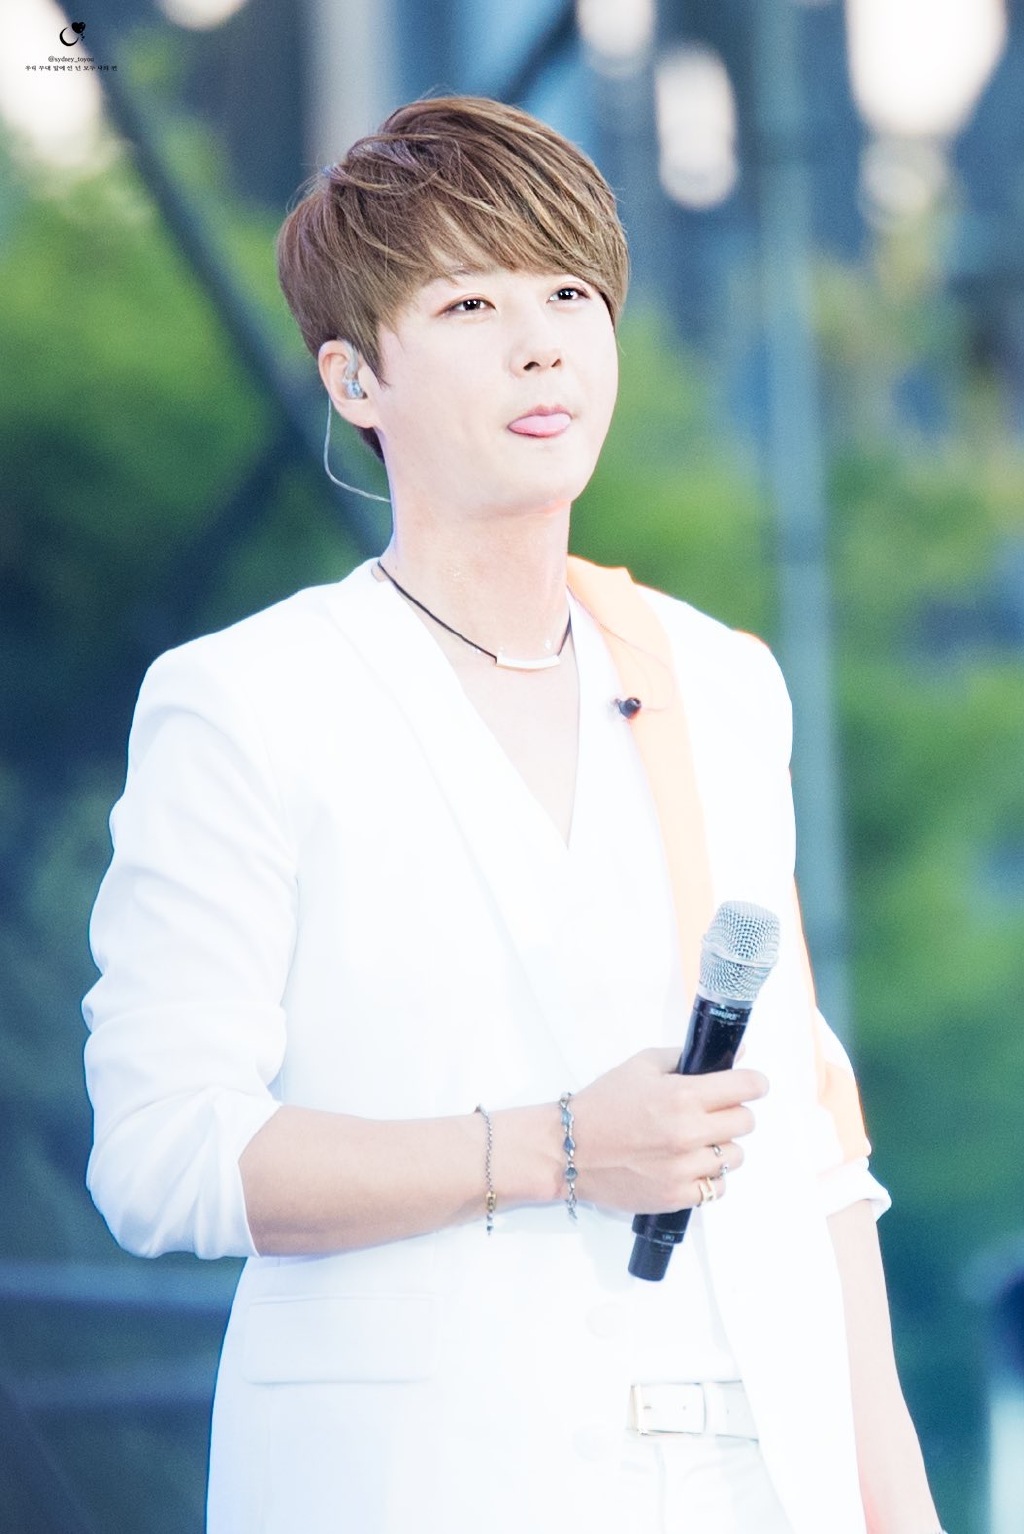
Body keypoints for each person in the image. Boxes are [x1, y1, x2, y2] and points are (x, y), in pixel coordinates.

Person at [83, 96, 945, 1534]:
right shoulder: (247, 702)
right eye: (471, 303)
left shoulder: (717, 681)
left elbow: (813, 1153)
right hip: (420, 1484)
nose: (541, 342)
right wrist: (557, 1149)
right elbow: (162, 1154)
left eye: (570, 294)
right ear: (356, 378)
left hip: (746, 1479)